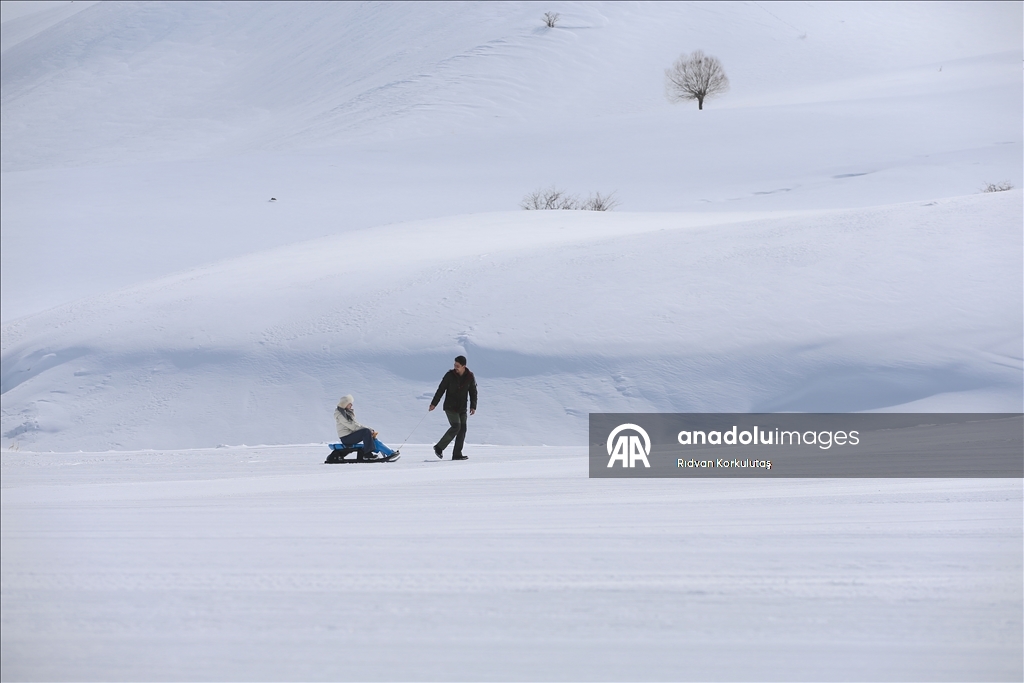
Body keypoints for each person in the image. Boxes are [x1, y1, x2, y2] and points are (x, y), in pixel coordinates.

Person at [429, 355, 478, 460]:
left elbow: (473, 392)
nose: (455, 367)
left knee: (462, 429)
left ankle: (457, 454)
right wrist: (434, 403)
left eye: (458, 366)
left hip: (462, 407)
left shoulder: (469, 377)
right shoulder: (449, 375)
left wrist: (473, 406)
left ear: (464, 366)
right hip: (450, 407)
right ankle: (439, 447)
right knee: (456, 426)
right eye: (454, 365)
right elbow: (441, 389)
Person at [334, 395, 398, 459]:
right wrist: (367, 430)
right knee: (366, 432)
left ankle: (389, 452)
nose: (351, 405)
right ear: (345, 404)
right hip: (346, 438)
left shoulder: (346, 413)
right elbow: (353, 426)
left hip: (350, 436)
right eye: (350, 403)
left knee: (369, 434)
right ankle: (367, 454)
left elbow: (356, 424)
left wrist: (369, 429)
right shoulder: (340, 414)